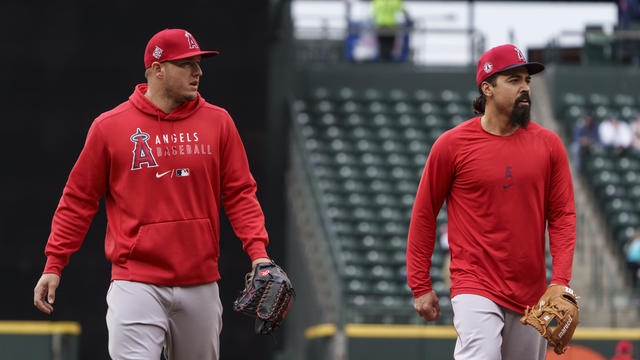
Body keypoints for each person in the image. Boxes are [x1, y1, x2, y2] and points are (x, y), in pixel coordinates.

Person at [33, 28, 272, 360]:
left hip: (200, 281)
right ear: (158, 69)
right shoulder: (110, 126)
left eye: (199, 63)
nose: (198, 72)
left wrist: (258, 252)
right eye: (187, 64)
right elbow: (78, 199)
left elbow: (240, 193)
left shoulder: (219, 122)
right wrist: (54, 263)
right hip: (136, 282)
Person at [407, 44, 576, 360]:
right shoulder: (452, 145)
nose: (525, 87)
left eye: (526, 79)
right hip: (475, 284)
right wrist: (420, 284)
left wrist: (561, 283)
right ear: (487, 88)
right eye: (513, 80)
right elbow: (425, 213)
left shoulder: (549, 145)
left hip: (532, 293)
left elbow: (563, 216)